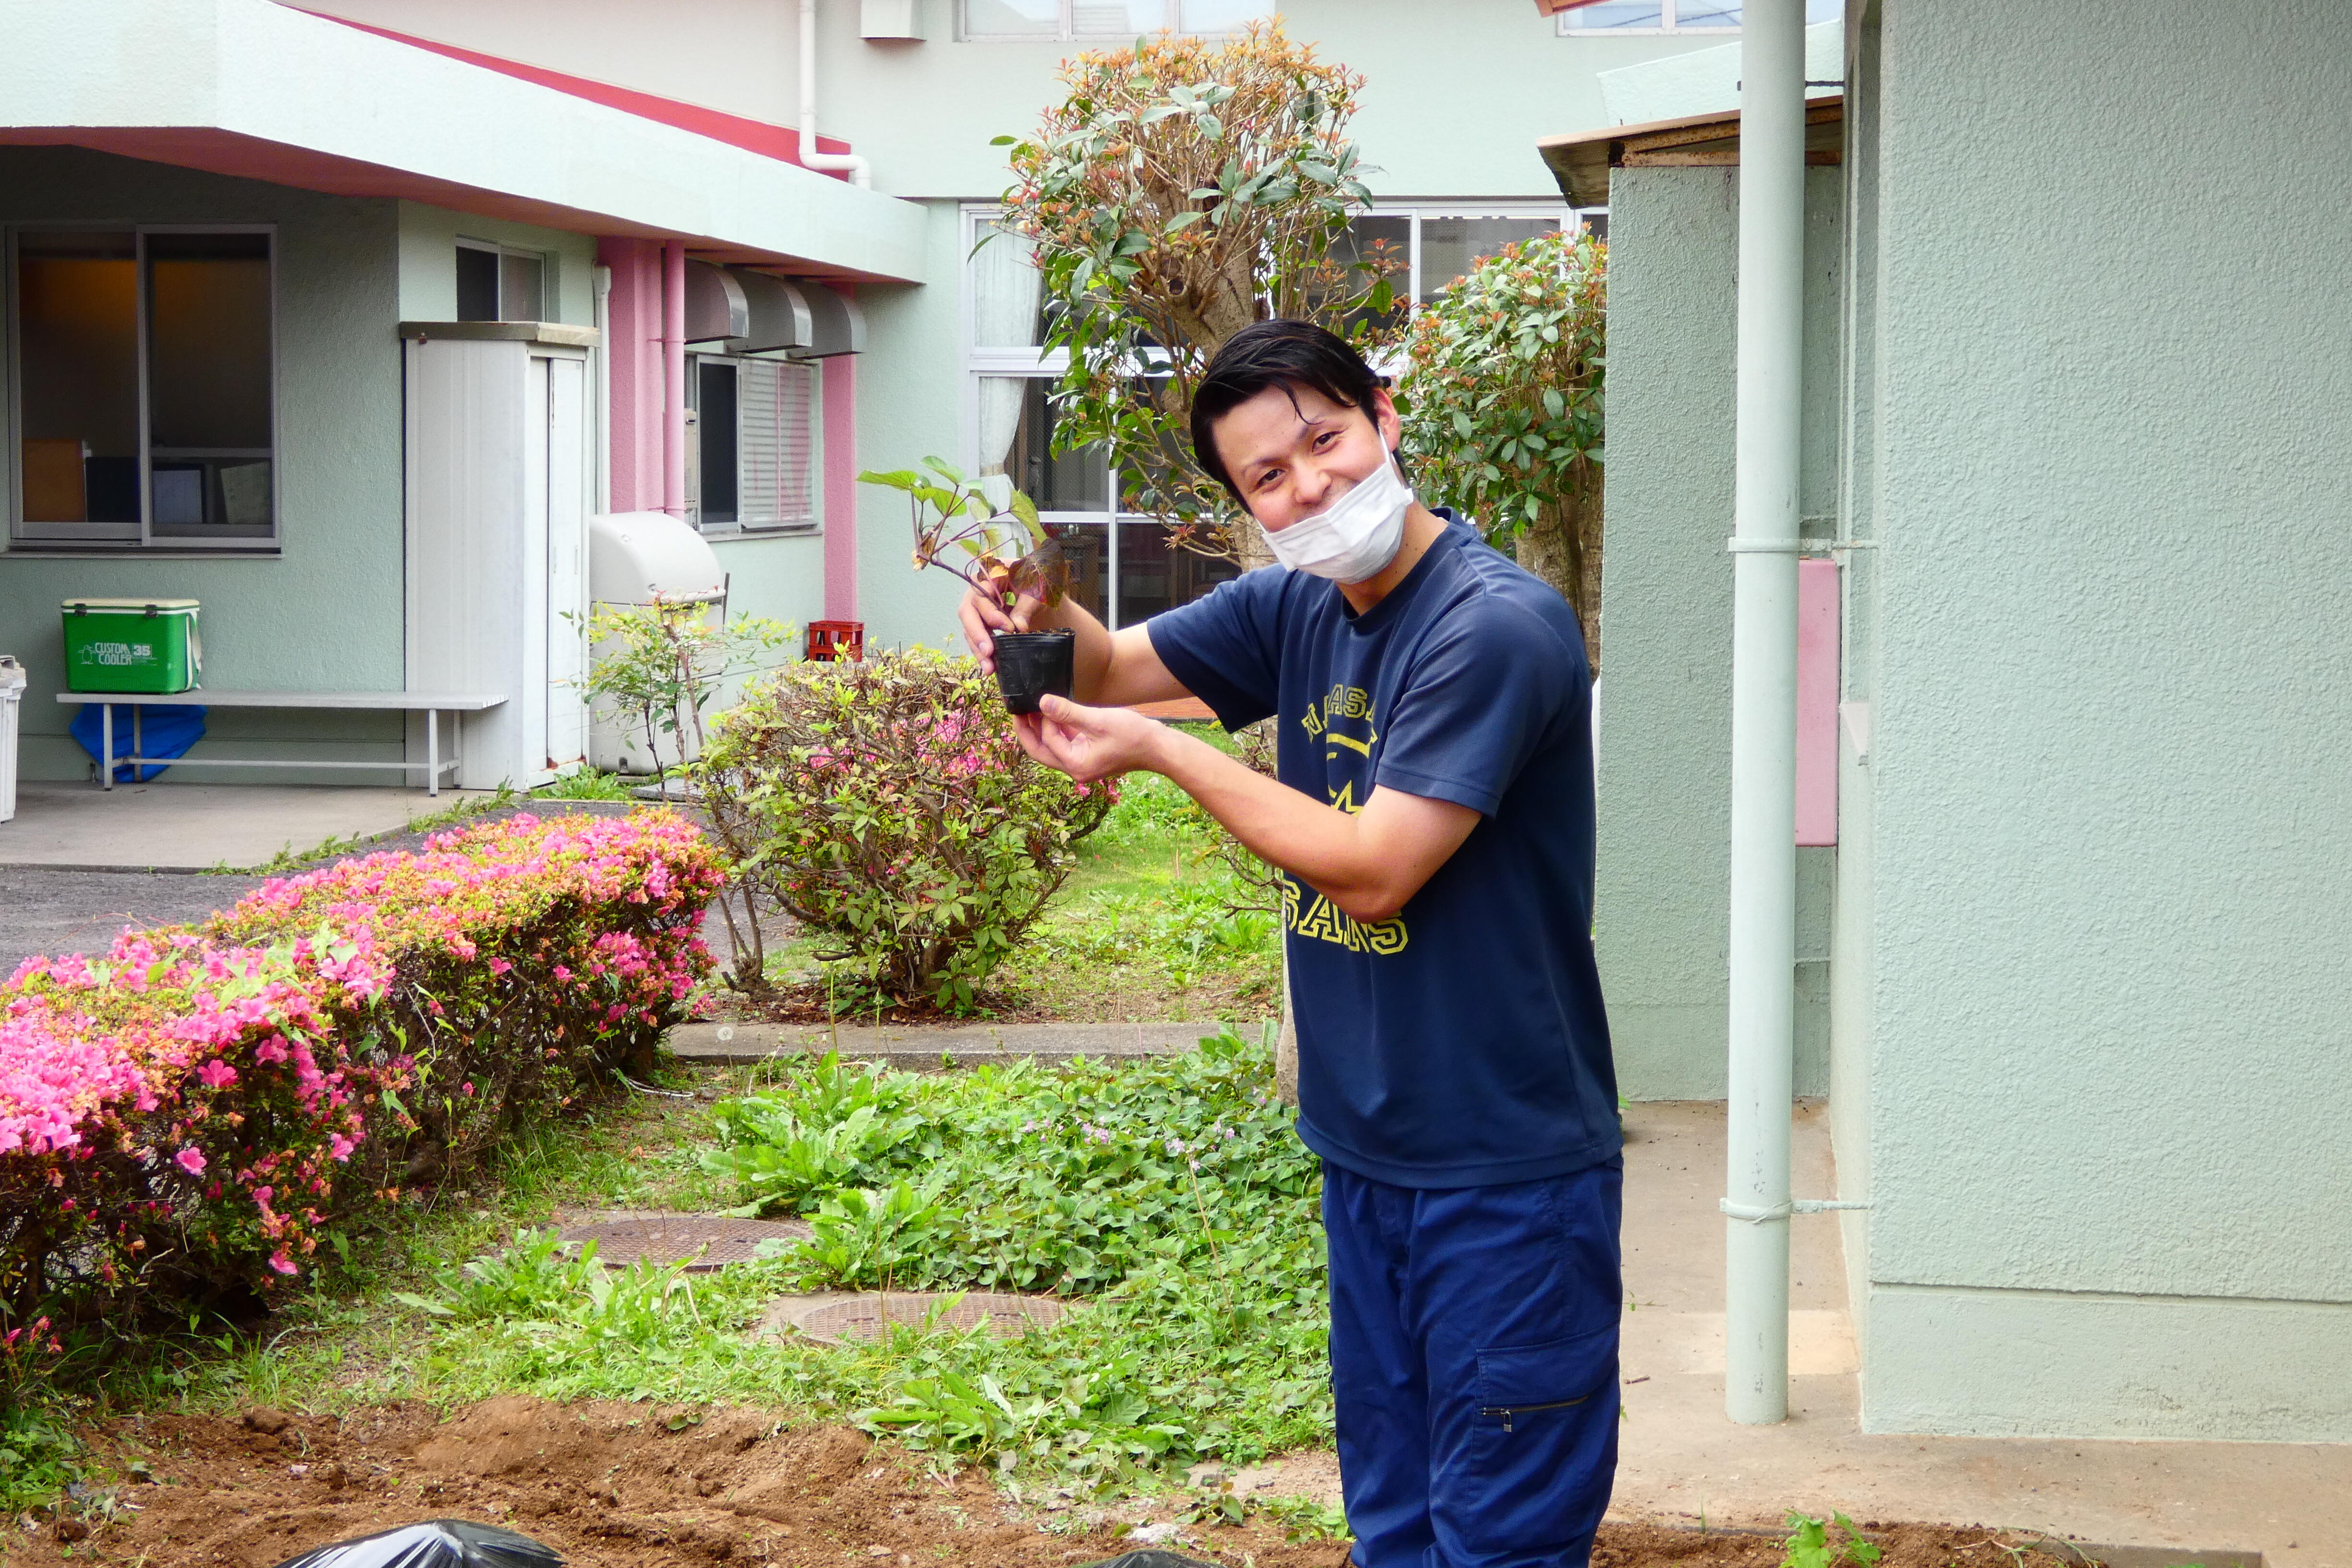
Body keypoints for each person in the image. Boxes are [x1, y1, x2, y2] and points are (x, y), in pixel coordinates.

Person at [957, 319, 1620, 1568]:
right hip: (1367, 1158)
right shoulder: (1300, 604)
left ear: (1384, 418)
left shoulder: (1496, 627)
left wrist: (1164, 752)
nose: (1310, 485)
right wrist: (1048, 619)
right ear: (1248, 504)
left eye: (1324, 442)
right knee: (1396, 1525)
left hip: (1508, 1181)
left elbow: (1374, 870)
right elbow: (1119, 667)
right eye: (1270, 476)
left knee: (1501, 1543)